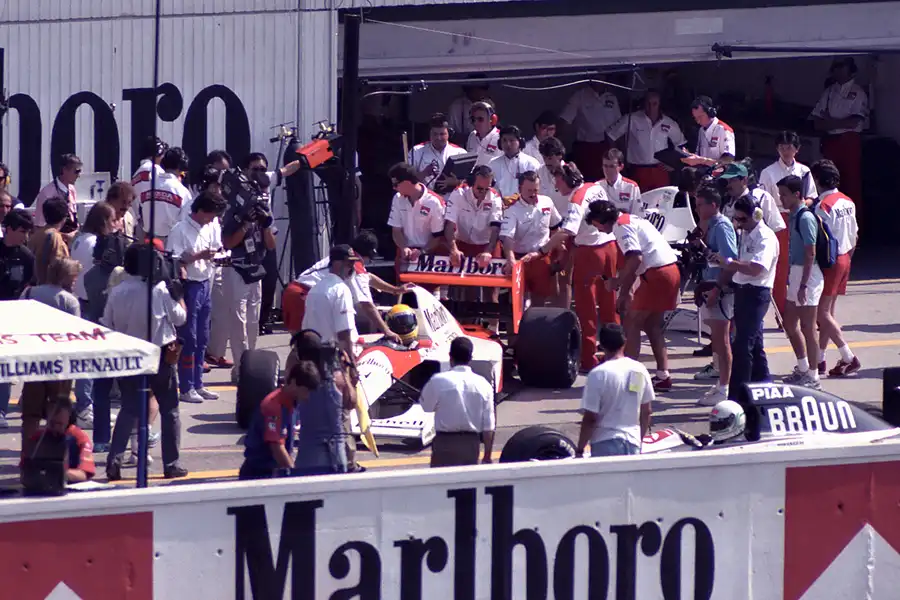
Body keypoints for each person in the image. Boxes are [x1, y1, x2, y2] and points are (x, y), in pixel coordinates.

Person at [103, 243, 188, 480]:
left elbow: (107, 323)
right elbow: (180, 319)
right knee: (170, 409)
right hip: (160, 354)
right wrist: (179, 296)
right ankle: (171, 463)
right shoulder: (160, 289)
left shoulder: (117, 290)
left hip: (130, 354)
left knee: (129, 408)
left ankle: (114, 460)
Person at [588, 200, 680, 391]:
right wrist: (624, 289)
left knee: (632, 323)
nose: (597, 230)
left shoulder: (621, 227)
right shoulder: (630, 220)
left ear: (603, 221)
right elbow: (634, 261)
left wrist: (618, 284)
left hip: (657, 273)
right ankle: (663, 375)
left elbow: (635, 257)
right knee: (651, 325)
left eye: (596, 225)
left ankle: (628, 378)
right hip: (669, 270)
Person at [540, 163, 614, 370]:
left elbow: (567, 232)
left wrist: (543, 250)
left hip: (590, 254)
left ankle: (588, 358)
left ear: (566, 180)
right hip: (610, 248)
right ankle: (615, 352)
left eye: (557, 181)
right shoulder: (595, 186)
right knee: (609, 306)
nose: (556, 186)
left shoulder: (576, 201)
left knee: (586, 307)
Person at [285, 231, 409, 340]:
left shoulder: (344, 256)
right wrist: (387, 331)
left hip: (292, 291)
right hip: (303, 297)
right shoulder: (355, 265)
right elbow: (367, 305)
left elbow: (368, 277)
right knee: (306, 345)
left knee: (299, 346)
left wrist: (395, 290)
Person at [714, 196, 779, 400]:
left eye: (742, 219)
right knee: (755, 345)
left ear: (756, 216)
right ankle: (765, 387)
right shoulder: (746, 232)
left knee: (742, 346)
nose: (738, 224)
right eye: (736, 219)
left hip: (755, 294)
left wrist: (729, 263)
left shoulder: (765, 238)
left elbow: (756, 268)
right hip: (743, 291)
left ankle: (738, 396)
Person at [167, 191, 227, 404]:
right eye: (210, 215)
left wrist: (217, 256)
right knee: (189, 337)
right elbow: (173, 260)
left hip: (205, 282)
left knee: (202, 337)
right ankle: (186, 386)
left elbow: (216, 249)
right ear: (200, 211)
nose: (212, 219)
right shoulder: (180, 229)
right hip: (189, 286)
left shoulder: (210, 226)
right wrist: (197, 256)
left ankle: (198, 383)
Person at [18, 258, 82, 453]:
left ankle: (28, 454)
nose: (75, 281)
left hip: (34, 361)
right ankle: (54, 455)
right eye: (73, 277)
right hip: (59, 363)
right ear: (65, 277)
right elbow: (77, 332)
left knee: (31, 414)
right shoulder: (69, 300)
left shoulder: (29, 292)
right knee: (58, 412)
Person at [221, 175, 277, 382]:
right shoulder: (235, 209)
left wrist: (264, 224)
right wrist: (245, 224)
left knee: (253, 322)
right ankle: (239, 367)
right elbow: (227, 243)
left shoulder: (264, 210)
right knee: (238, 322)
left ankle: (250, 365)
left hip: (256, 269)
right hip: (237, 268)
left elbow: (271, 245)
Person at [241, 151, 303, 335]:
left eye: (263, 168)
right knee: (247, 285)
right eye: (255, 169)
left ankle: (262, 321)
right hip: (245, 239)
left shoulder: (267, 180)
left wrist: (306, 158)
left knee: (269, 281)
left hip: (267, 236)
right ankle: (245, 324)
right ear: (245, 170)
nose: (260, 172)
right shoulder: (239, 184)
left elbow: (286, 170)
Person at [758, 131, 818, 315]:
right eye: (782, 147)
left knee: (803, 263)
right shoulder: (768, 172)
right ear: (777, 149)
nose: (786, 151)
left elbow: (812, 197)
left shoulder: (804, 171)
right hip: (778, 219)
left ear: (797, 149)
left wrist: (798, 206)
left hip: (799, 218)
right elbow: (762, 199)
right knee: (781, 267)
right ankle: (782, 312)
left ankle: (803, 308)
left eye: (790, 147)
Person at [70, 201, 118, 429]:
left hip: (80, 300)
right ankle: (85, 409)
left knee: (86, 360)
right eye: (111, 221)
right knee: (89, 362)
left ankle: (86, 407)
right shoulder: (94, 244)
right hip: (91, 303)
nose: (114, 225)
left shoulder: (80, 238)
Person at [811, 159, 860, 377]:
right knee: (828, 312)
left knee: (821, 313)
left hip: (830, 261)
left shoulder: (822, 207)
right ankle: (820, 359)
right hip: (846, 257)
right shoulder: (848, 201)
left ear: (818, 180)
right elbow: (855, 234)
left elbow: (819, 241)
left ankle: (848, 356)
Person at [575, 324, 653, 457]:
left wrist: (580, 448)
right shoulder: (639, 370)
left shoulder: (598, 374)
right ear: (624, 342)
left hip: (604, 442)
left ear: (602, 345)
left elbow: (590, 418)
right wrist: (639, 440)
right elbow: (646, 412)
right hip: (632, 443)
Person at [692, 187, 738, 405]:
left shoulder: (722, 227)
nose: (697, 208)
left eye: (701, 204)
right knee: (717, 340)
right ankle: (721, 382)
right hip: (709, 285)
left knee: (722, 339)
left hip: (720, 289)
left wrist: (717, 289)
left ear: (713, 205)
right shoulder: (709, 227)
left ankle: (725, 387)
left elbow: (729, 262)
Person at [238, 361, 321, 480]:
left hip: (275, 470)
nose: (307, 396)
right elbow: (276, 447)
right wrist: (295, 475)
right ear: (293, 383)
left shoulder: (293, 402)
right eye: (305, 391)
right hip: (258, 473)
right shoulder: (274, 406)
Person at [420, 337, 495, 467]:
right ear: (470, 358)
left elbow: (426, 407)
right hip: (471, 444)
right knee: (466, 485)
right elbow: (489, 426)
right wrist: (487, 455)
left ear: (450, 356)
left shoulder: (438, 380)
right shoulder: (483, 384)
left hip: (444, 442)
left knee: (441, 483)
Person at [778, 175, 823, 389]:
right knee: (789, 324)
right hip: (797, 274)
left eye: (784, 195)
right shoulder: (794, 216)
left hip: (808, 275)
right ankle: (803, 367)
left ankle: (813, 376)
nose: (781, 199)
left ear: (796, 194)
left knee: (807, 326)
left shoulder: (805, 218)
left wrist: (804, 285)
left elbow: (810, 253)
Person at [292, 331, 359, 476]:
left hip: (309, 449)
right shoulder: (337, 377)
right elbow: (351, 402)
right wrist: (346, 370)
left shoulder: (299, 376)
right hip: (337, 450)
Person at [810, 57, 868, 222]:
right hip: (831, 142)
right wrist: (834, 124)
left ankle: (856, 229)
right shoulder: (829, 92)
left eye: (841, 66)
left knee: (852, 185)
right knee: (828, 181)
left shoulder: (858, 92)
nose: (837, 70)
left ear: (850, 68)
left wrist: (831, 122)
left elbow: (855, 121)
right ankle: (829, 223)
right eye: (835, 67)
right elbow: (816, 121)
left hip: (849, 142)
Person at [499, 171, 564, 307]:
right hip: (520, 259)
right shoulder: (512, 210)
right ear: (520, 189)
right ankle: (516, 329)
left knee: (540, 300)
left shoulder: (547, 202)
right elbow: (507, 238)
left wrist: (560, 253)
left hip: (542, 257)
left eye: (535, 190)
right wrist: (511, 261)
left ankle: (538, 327)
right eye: (529, 190)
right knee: (515, 303)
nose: (533, 194)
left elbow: (556, 228)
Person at [606, 89, 687, 192]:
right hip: (637, 169)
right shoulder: (632, 118)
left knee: (661, 202)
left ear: (659, 104)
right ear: (644, 103)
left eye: (654, 103)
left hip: (660, 170)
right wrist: (617, 159)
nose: (651, 107)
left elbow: (681, 144)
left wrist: (675, 164)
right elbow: (611, 134)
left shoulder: (669, 122)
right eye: (648, 103)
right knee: (638, 201)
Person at [0, 209, 35, 428]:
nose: (25, 236)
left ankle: (1, 409)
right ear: (8, 229)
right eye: (22, 231)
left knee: (4, 366)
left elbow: (31, 283)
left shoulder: (26, 256)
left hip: (14, 315)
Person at [302, 244, 362, 362]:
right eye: (349, 263)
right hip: (333, 358)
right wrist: (352, 364)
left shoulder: (315, 289)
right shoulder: (341, 290)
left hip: (312, 355)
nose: (352, 267)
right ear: (336, 263)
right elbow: (344, 333)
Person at [387, 163, 448, 273]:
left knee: (428, 290)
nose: (394, 188)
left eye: (396, 184)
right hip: (404, 254)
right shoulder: (397, 198)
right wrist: (404, 248)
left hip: (428, 256)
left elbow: (438, 236)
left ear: (407, 182)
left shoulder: (434, 202)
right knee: (403, 289)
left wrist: (422, 252)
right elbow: (396, 230)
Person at [21, 397, 96, 484]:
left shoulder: (80, 438)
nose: (56, 428)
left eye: (60, 424)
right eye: (52, 423)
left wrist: (56, 473)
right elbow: (24, 470)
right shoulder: (37, 438)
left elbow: (84, 474)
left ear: (70, 419)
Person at [559, 80, 622, 181]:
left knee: (606, 180)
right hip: (585, 148)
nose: (600, 79)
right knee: (586, 180)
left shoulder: (612, 98)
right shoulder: (580, 96)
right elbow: (565, 120)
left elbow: (619, 125)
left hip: (606, 147)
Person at [137, 147, 192, 244]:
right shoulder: (182, 192)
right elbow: (186, 222)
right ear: (182, 167)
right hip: (170, 243)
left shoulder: (147, 186)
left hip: (147, 241)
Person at [408, 113, 467, 193]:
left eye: (442, 134)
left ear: (448, 134)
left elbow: (470, 182)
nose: (438, 138)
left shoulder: (460, 152)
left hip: (451, 200)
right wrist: (424, 173)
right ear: (429, 134)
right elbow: (408, 182)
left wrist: (456, 182)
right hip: (425, 199)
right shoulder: (417, 151)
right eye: (435, 134)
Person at [33, 153, 82, 242]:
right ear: (64, 170)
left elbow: (73, 217)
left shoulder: (72, 190)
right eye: (76, 171)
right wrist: (65, 236)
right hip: (53, 242)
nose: (79, 175)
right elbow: (39, 227)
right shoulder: (47, 193)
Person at [488, 125, 542, 199]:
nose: (508, 144)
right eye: (504, 140)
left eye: (511, 140)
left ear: (520, 142)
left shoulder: (531, 163)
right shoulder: (492, 163)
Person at [681, 96, 735, 168]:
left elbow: (728, 160)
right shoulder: (701, 130)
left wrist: (701, 160)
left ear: (710, 113)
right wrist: (689, 156)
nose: (697, 121)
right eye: (695, 118)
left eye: (700, 117)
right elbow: (699, 156)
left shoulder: (724, 130)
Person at [28, 196, 71, 285]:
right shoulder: (56, 238)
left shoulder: (36, 235)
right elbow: (61, 268)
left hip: (35, 286)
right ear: (64, 216)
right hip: (49, 287)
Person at [447, 76, 493, 144]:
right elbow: (450, 132)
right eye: (477, 88)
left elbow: (495, 129)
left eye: (483, 89)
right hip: (462, 146)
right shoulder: (456, 105)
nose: (480, 92)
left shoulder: (489, 104)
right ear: (468, 89)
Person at [597, 148, 643, 216]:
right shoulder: (597, 186)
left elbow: (639, 215)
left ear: (621, 167)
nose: (608, 170)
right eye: (605, 166)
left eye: (612, 166)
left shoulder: (631, 186)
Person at [466, 101, 502, 167]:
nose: (475, 123)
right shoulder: (472, 136)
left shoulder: (501, 138)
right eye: (473, 119)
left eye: (480, 119)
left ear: (492, 119)